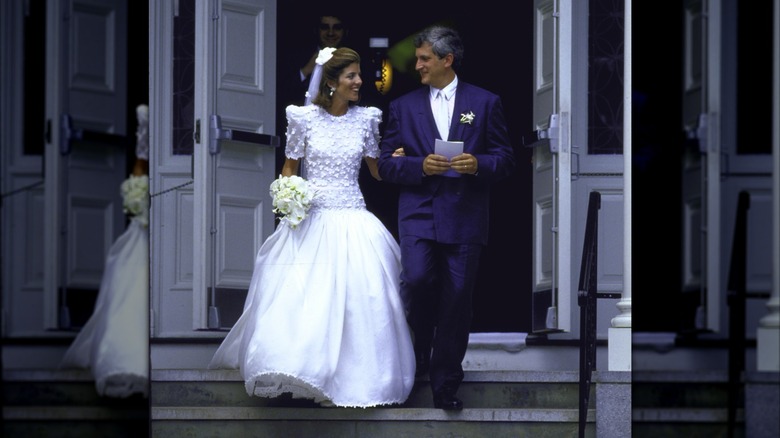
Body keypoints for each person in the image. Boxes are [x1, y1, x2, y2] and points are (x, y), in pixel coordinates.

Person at [209, 47, 416, 408]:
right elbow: (290, 167)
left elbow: (376, 171)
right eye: (351, 76)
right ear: (332, 83)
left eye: (358, 75)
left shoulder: (366, 118)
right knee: (304, 298)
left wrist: (397, 161)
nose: (359, 82)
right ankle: (300, 371)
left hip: (353, 216)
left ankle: (356, 378)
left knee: (361, 299)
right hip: (312, 218)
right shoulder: (303, 118)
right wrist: (288, 192)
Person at [377, 25, 515, 411]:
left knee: (457, 300)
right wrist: (421, 165)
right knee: (418, 282)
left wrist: (478, 164)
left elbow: (505, 160)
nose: (417, 65)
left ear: (446, 60)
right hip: (418, 213)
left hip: (465, 215)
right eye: (418, 58)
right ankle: (417, 355)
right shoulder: (403, 106)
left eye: (424, 59)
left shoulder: (485, 102)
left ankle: (446, 383)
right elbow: (385, 166)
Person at [59, 104, 150, 399]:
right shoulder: (147, 135)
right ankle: (124, 361)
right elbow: (140, 167)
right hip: (143, 231)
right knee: (129, 281)